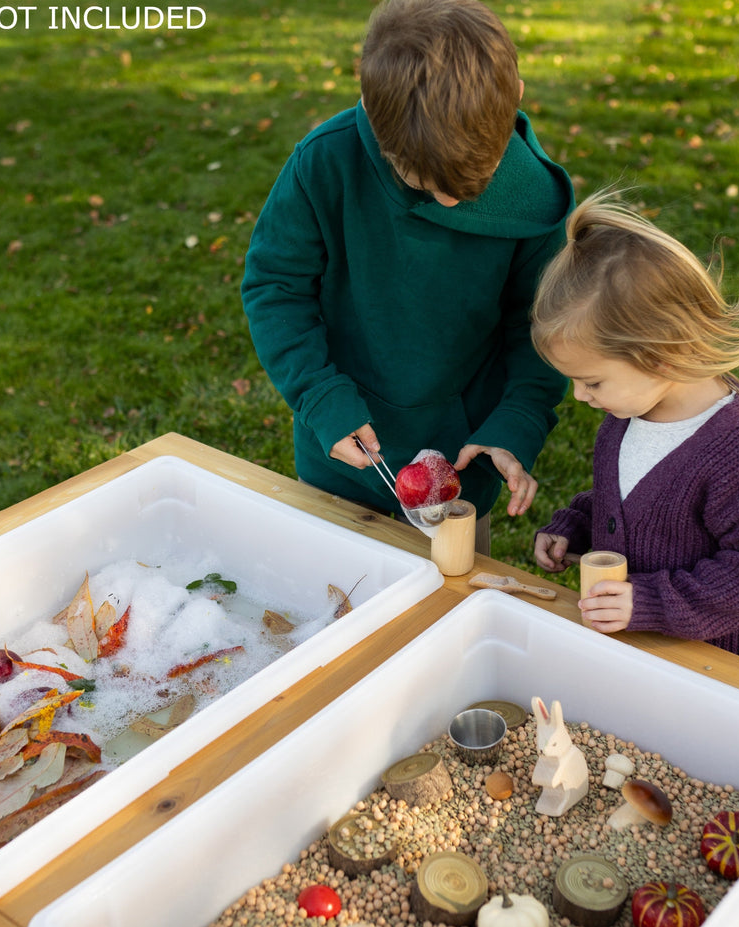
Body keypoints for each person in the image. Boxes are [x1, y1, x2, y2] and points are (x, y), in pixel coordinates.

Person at [241, 0, 573, 552]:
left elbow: (539, 330)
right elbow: (277, 288)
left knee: (444, 613)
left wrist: (517, 421)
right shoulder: (325, 163)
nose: (447, 200)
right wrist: (319, 396)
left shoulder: (535, 203)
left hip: (464, 462)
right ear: (372, 109)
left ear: (514, 94)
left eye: (475, 183)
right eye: (422, 181)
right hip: (343, 451)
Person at [531, 191, 739, 668]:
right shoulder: (628, 417)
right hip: (641, 648)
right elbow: (626, 500)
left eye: (592, 380)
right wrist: (576, 527)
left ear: (659, 355)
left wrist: (649, 603)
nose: (580, 396)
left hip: (710, 665)